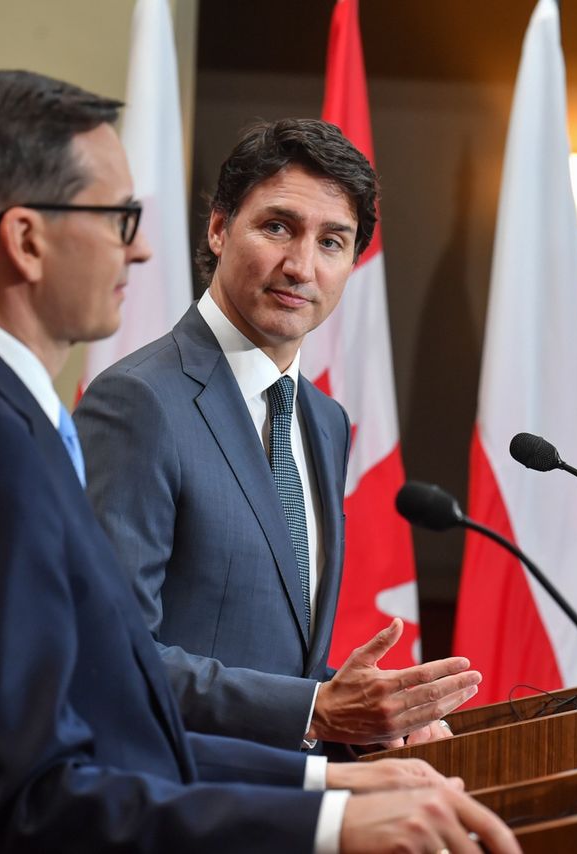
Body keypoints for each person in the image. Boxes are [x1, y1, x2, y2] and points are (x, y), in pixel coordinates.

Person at [0, 70, 517, 853]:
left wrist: (326, 774)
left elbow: (101, 718)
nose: (141, 246)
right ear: (25, 238)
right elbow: (48, 786)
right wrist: (328, 816)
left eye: (333, 241)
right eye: (117, 217)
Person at [76, 119, 477, 752]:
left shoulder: (324, 421)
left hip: (282, 806)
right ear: (218, 228)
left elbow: (275, 659)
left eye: (332, 242)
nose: (301, 267)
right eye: (277, 227)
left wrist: (374, 718)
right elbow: (108, 654)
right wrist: (317, 710)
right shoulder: (140, 401)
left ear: (352, 263)